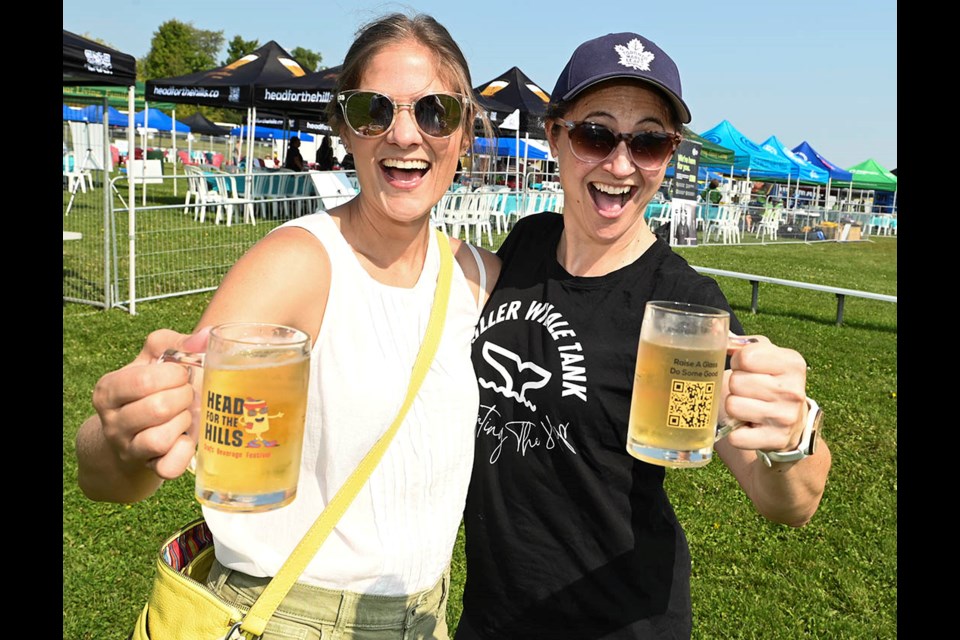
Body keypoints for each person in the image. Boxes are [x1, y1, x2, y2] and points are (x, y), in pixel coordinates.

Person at [76, 13, 499, 639]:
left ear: (464, 132)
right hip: (284, 617)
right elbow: (119, 466)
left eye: (434, 112)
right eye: (373, 110)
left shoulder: (478, 276)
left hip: (425, 618)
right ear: (346, 130)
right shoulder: (300, 262)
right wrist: (122, 437)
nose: (405, 134)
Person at [458, 32, 832, 639]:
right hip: (492, 620)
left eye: (649, 141)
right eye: (595, 136)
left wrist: (792, 441)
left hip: (620, 624)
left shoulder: (684, 307)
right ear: (554, 135)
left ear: (670, 153)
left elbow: (787, 503)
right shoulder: (526, 243)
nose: (621, 165)